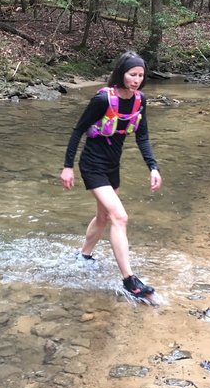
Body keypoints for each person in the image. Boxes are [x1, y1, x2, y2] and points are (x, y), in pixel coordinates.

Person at [61, 51, 162, 298]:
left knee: (104, 216)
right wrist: (67, 166)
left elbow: (143, 137)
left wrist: (153, 166)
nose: (137, 79)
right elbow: (78, 131)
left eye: (141, 75)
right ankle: (130, 281)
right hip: (92, 164)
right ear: (121, 74)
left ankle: (83, 254)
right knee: (120, 217)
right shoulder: (102, 100)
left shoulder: (140, 100)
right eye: (132, 74)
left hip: (112, 166)